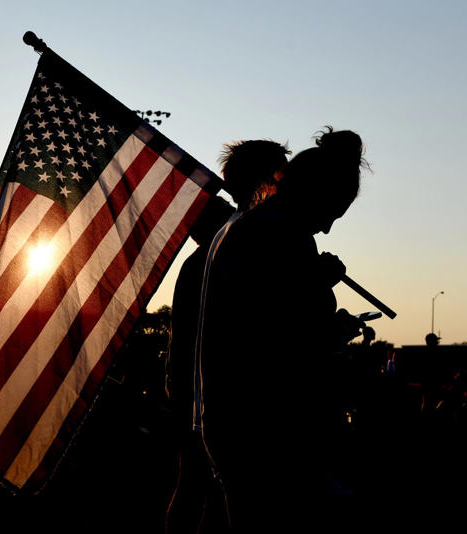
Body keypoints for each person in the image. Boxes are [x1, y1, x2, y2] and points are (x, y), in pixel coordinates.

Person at [197, 127, 368, 528]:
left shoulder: (256, 229)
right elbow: (275, 342)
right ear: (315, 194)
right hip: (263, 431)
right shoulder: (280, 236)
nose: (326, 228)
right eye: (331, 213)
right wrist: (332, 332)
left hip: (241, 424)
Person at [165, 140, 291, 533]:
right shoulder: (244, 248)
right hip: (224, 397)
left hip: (195, 391)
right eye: (281, 175)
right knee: (221, 496)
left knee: (198, 489)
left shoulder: (205, 256)